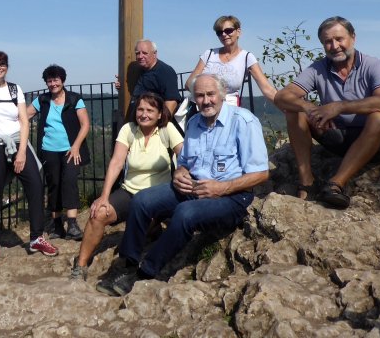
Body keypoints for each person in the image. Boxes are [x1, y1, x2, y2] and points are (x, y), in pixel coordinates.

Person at [96, 74, 269, 297]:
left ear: (222, 95)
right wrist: (180, 172)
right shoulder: (195, 122)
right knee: (141, 200)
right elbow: (185, 162)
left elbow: (261, 173)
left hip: (231, 196)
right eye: (200, 95)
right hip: (194, 188)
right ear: (194, 98)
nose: (206, 100)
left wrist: (222, 188)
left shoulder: (243, 121)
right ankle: (128, 264)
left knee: (185, 213)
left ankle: (144, 272)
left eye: (210, 94)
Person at [274, 16, 380, 209]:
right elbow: (282, 97)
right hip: (338, 137)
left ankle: (335, 185)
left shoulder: (373, 65)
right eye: (328, 41)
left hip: (373, 141)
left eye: (339, 39)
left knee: (379, 118)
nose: (334, 46)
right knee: (294, 111)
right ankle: (307, 182)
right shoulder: (319, 69)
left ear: (352, 38)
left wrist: (338, 106)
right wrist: (311, 108)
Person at [69, 92, 183, 280]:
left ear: (160, 114)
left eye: (149, 110)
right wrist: (104, 196)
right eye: (140, 109)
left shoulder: (167, 129)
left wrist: (182, 173)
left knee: (137, 228)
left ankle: (152, 229)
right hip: (130, 191)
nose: (144, 114)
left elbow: (184, 154)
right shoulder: (128, 129)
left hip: (157, 195)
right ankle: (80, 265)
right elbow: (116, 162)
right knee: (98, 215)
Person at [0, 51, 58, 263]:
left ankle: (36, 237)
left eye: (2, 63)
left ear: (7, 66)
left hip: (17, 142)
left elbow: (24, 121)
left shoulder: (15, 89)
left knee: (35, 184)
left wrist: (22, 152)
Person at [26, 64, 90, 240]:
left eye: (56, 79)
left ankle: (72, 224)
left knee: (69, 182)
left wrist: (76, 146)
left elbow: (85, 124)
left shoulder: (74, 99)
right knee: (54, 185)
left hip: (71, 150)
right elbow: (24, 115)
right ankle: (56, 225)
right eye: (49, 80)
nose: (53, 83)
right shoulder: (42, 100)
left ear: (62, 80)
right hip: (49, 150)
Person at [184, 15, 277, 107]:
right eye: (219, 32)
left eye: (228, 31)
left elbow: (267, 89)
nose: (224, 34)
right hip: (202, 107)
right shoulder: (209, 54)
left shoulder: (247, 57)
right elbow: (189, 84)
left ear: (238, 32)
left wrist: (287, 108)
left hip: (228, 109)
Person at [116, 39, 182, 119]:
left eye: (144, 53)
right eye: (137, 53)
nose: (140, 56)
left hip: (153, 124)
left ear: (154, 54)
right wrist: (121, 85)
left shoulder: (165, 72)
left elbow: (172, 101)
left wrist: (161, 124)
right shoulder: (139, 69)